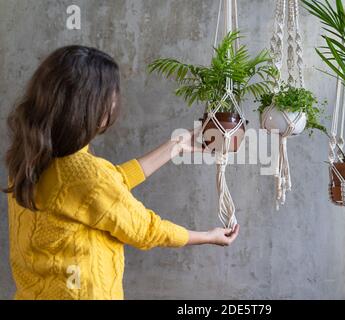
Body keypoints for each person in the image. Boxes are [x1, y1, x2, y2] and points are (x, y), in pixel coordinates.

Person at [3, 45, 239, 300]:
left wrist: (177, 145)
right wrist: (207, 236)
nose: (115, 101)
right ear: (89, 104)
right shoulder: (84, 174)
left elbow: (107, 185)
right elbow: (146, 229)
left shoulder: (28, 160)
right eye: (112, 95)